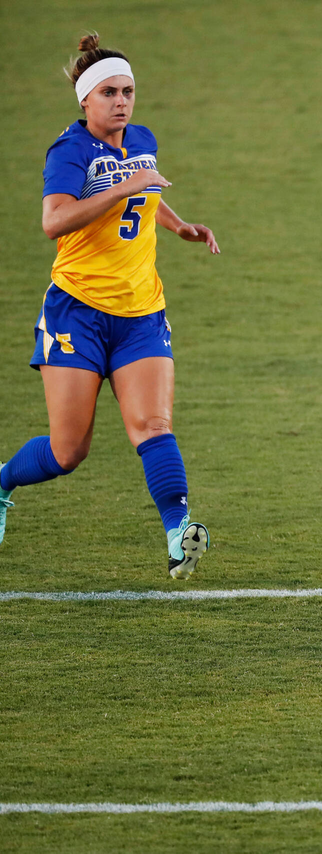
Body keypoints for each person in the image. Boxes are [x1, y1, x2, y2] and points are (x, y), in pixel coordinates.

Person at [0, 34, 219, 578]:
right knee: (68, 451)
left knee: (154, 425)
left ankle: (178, 534)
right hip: (77, 313)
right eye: (109, 93)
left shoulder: (141, 139)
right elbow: (54, 221)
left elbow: (146, 189)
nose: (121, 102)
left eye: (128, 91)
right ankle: (2, 482)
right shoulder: (70, 151)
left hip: (142, 312)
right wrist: (124, 189)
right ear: (85, 99)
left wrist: (178, 224)